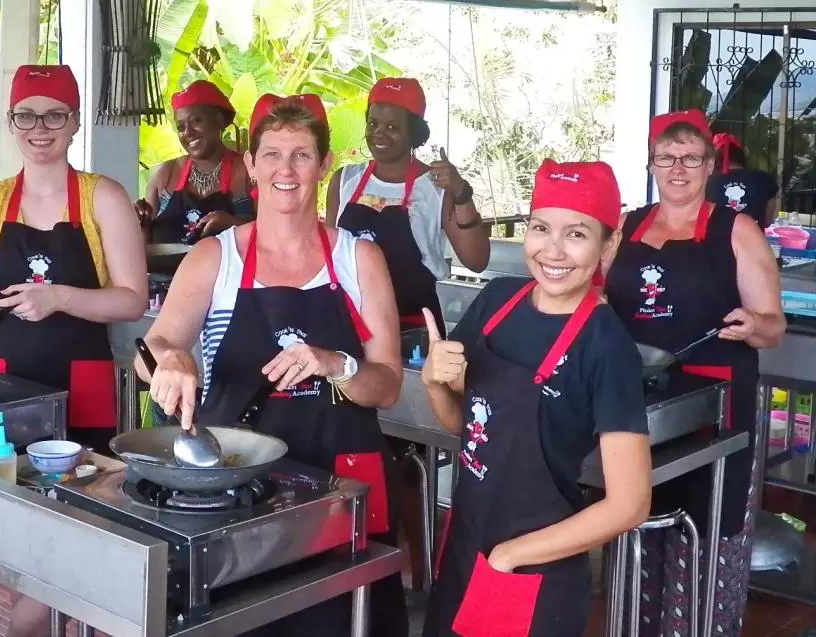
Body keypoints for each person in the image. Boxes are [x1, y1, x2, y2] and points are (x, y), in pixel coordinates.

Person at [136, 93, 409, 637]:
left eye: (302, 154)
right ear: (253, 165)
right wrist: (171, 361)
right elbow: (156, 346)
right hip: (240, 486)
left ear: (323, 163)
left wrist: (337, 364)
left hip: (340, 487)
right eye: (273, 154)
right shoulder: (217, 258)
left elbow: (388, 386)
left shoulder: (359, 258)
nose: (287, 169)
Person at [0, 64, 147, 636]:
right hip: (10, 387)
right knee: (21, 518)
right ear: (11, 122)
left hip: (84, 384)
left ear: (73, 123)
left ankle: (70, 614)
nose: (39, 128)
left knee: (87, 516)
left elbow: (130, 300)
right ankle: (39, 604)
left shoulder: (104, 197)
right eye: (26, 115)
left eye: (55, 115)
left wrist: (62, 298)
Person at [421, 159, 652, 636]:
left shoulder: (605, 345)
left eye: (577, 234)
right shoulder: (497, 301)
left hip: (531, 569)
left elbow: (630, 504)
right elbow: (465, 427)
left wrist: (510, 556)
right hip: (466, 542)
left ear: (609, 243)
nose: (554, 250)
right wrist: (434, 383)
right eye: (541, 227)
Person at [603, 109, 785, 635]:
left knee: (706, 525)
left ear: (709, 166)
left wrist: (754, 322)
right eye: (667, 158)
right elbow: (597, 298)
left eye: (690, 158)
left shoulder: (737, 229)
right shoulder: (629, 225)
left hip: (715, 401)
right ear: (652, 165)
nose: (677, 169)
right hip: (639, 395)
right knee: (636, 516)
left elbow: (772, 326)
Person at [326, 77, 489, 329]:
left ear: (414, 132)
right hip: (350, 322)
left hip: (412, 328)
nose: (379, 133)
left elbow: (476, 261)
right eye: (373, 123)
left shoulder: (437, 188)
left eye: (393, 127)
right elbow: (330, 256)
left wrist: (460, 192)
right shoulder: (345, 180)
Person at [136, 79, 253, 242]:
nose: (188, 132)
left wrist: (232, 224)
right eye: (181, 127)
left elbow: (270, 235)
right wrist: (141, 223)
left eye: (196, 121)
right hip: (166, 268)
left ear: (219, 120)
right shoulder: (164, 174)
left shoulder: (249, 171)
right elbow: (144, 247)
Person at [708, 131, 780, 228]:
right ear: (741, 155)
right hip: (753, 241)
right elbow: (767, 222)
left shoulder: (705, 181)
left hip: (713, 242)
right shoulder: (764, 179)